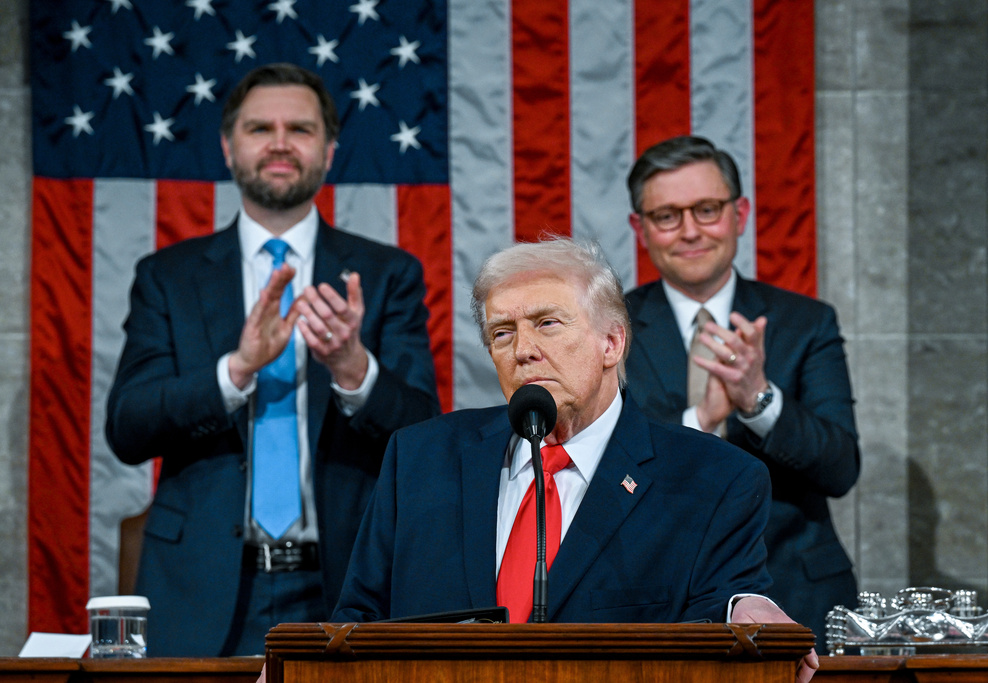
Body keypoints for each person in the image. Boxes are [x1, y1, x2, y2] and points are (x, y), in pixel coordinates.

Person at [328, 238, 818, 682]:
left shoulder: (712, 478)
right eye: (502, 333)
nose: (523, 351)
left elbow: (725, 605)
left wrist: (746, 608)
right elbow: (358, 621)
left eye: (547, 323)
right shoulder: (420, 459)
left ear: (612, 342)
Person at [104, 63, 441, 657]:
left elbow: (424, 434)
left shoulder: (388, 275)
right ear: (229, 147)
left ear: (330, 151)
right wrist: (234, 370)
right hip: (200, 587)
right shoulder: (168, 277)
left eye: (301, 129)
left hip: (346, 585)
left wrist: (352, 369)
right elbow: (128, 428)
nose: (281, 142)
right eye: (261, 128)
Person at [624, 135, 859, 652]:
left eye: (707, 209)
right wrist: (700, 420)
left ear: (740, 213)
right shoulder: (610, 329)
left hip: (799, 596)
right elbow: (600, 468)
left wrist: (758, 399)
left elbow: (842, 469)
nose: (689, 231)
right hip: (658, 599)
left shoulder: (806, 323)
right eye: (667, 216)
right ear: (640, 229)